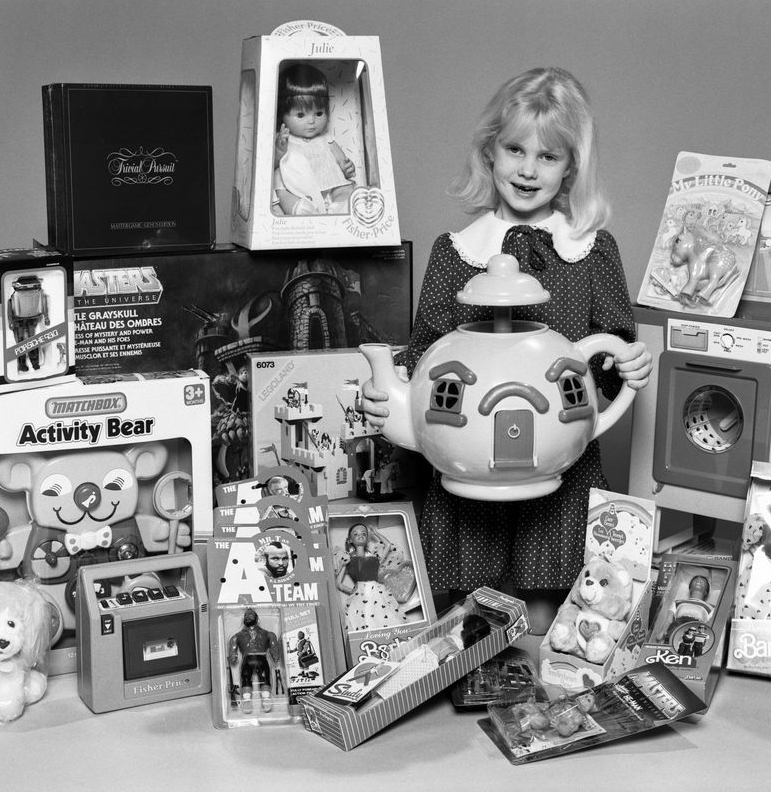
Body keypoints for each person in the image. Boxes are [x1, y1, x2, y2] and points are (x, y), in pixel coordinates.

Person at [362, 68, 652, 634]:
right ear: (488, 152)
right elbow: (425, 354)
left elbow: (614, 344)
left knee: (546, 619)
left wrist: (629, 363)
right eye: (514, 149)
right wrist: (394, 394)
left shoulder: (592, 251)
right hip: (470, 454)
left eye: (548, 157)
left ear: (572, 167)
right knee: (475, 616)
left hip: (559, 451)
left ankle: (546, 604)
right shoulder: (457, 251)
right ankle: (479, 610)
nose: (527, 169)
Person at [273, 63, 356, 216]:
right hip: (298, 189)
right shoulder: (284, 138)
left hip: (328, 181)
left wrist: (346, 167)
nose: (311, 121)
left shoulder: (326, 138)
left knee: (346, 189)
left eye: (318, 113)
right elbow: (275, 163)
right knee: (280, 188)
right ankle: (299, 209)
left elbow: (340, 158)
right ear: (282, 114)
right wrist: (279, 149)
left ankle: (339, 208)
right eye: (300, 115)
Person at [334, 523, 408, 632]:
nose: (360, 536)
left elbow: (387, 545)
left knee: (385, 615)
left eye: (364, 533)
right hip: (360, 595)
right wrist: (353, 591)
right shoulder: (347, 559)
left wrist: (376, 533)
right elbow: (338, 584)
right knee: (364, 620)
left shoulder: (375, 557)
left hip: (378, 591)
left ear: (367, 538)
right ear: (350, 540)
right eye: (356, 534)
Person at [227, 608, 281, 714]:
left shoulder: (267, 633)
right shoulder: (238, 635)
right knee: (246, 677)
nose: (247, 617)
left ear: (256, 618)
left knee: (265, 677)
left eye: (250, 615)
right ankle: (247, 701)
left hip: (262, 658)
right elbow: (233, 644)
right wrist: (233, 655)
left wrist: (275, 655)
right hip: (248, 659)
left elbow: (273, 643)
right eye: (246, 615)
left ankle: (266, 699)